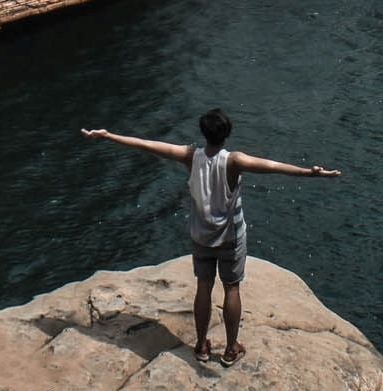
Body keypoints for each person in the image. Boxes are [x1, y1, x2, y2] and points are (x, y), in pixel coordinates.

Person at [80, 109, 341, 365]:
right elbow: (271, 167)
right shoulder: (233, 161)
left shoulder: (190, 156)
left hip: (201, 237)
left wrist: (108, 135)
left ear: (203, 133)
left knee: (203, 286)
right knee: (231, 288)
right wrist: (310, 173)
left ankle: (202, 344)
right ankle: (230, 349)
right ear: (227, 134)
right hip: (230, 237)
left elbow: (149, 145)